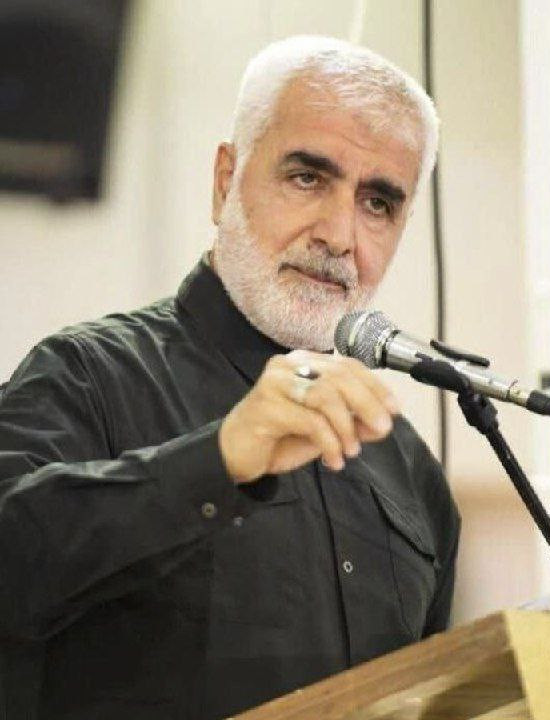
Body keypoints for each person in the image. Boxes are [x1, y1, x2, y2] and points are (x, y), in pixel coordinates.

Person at [0, 36, 459, 719]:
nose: (339, 234)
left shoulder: (411, 472)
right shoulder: (88, 376)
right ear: (226, 181)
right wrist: (217, 461)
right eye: (307, 178)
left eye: (378, 204)